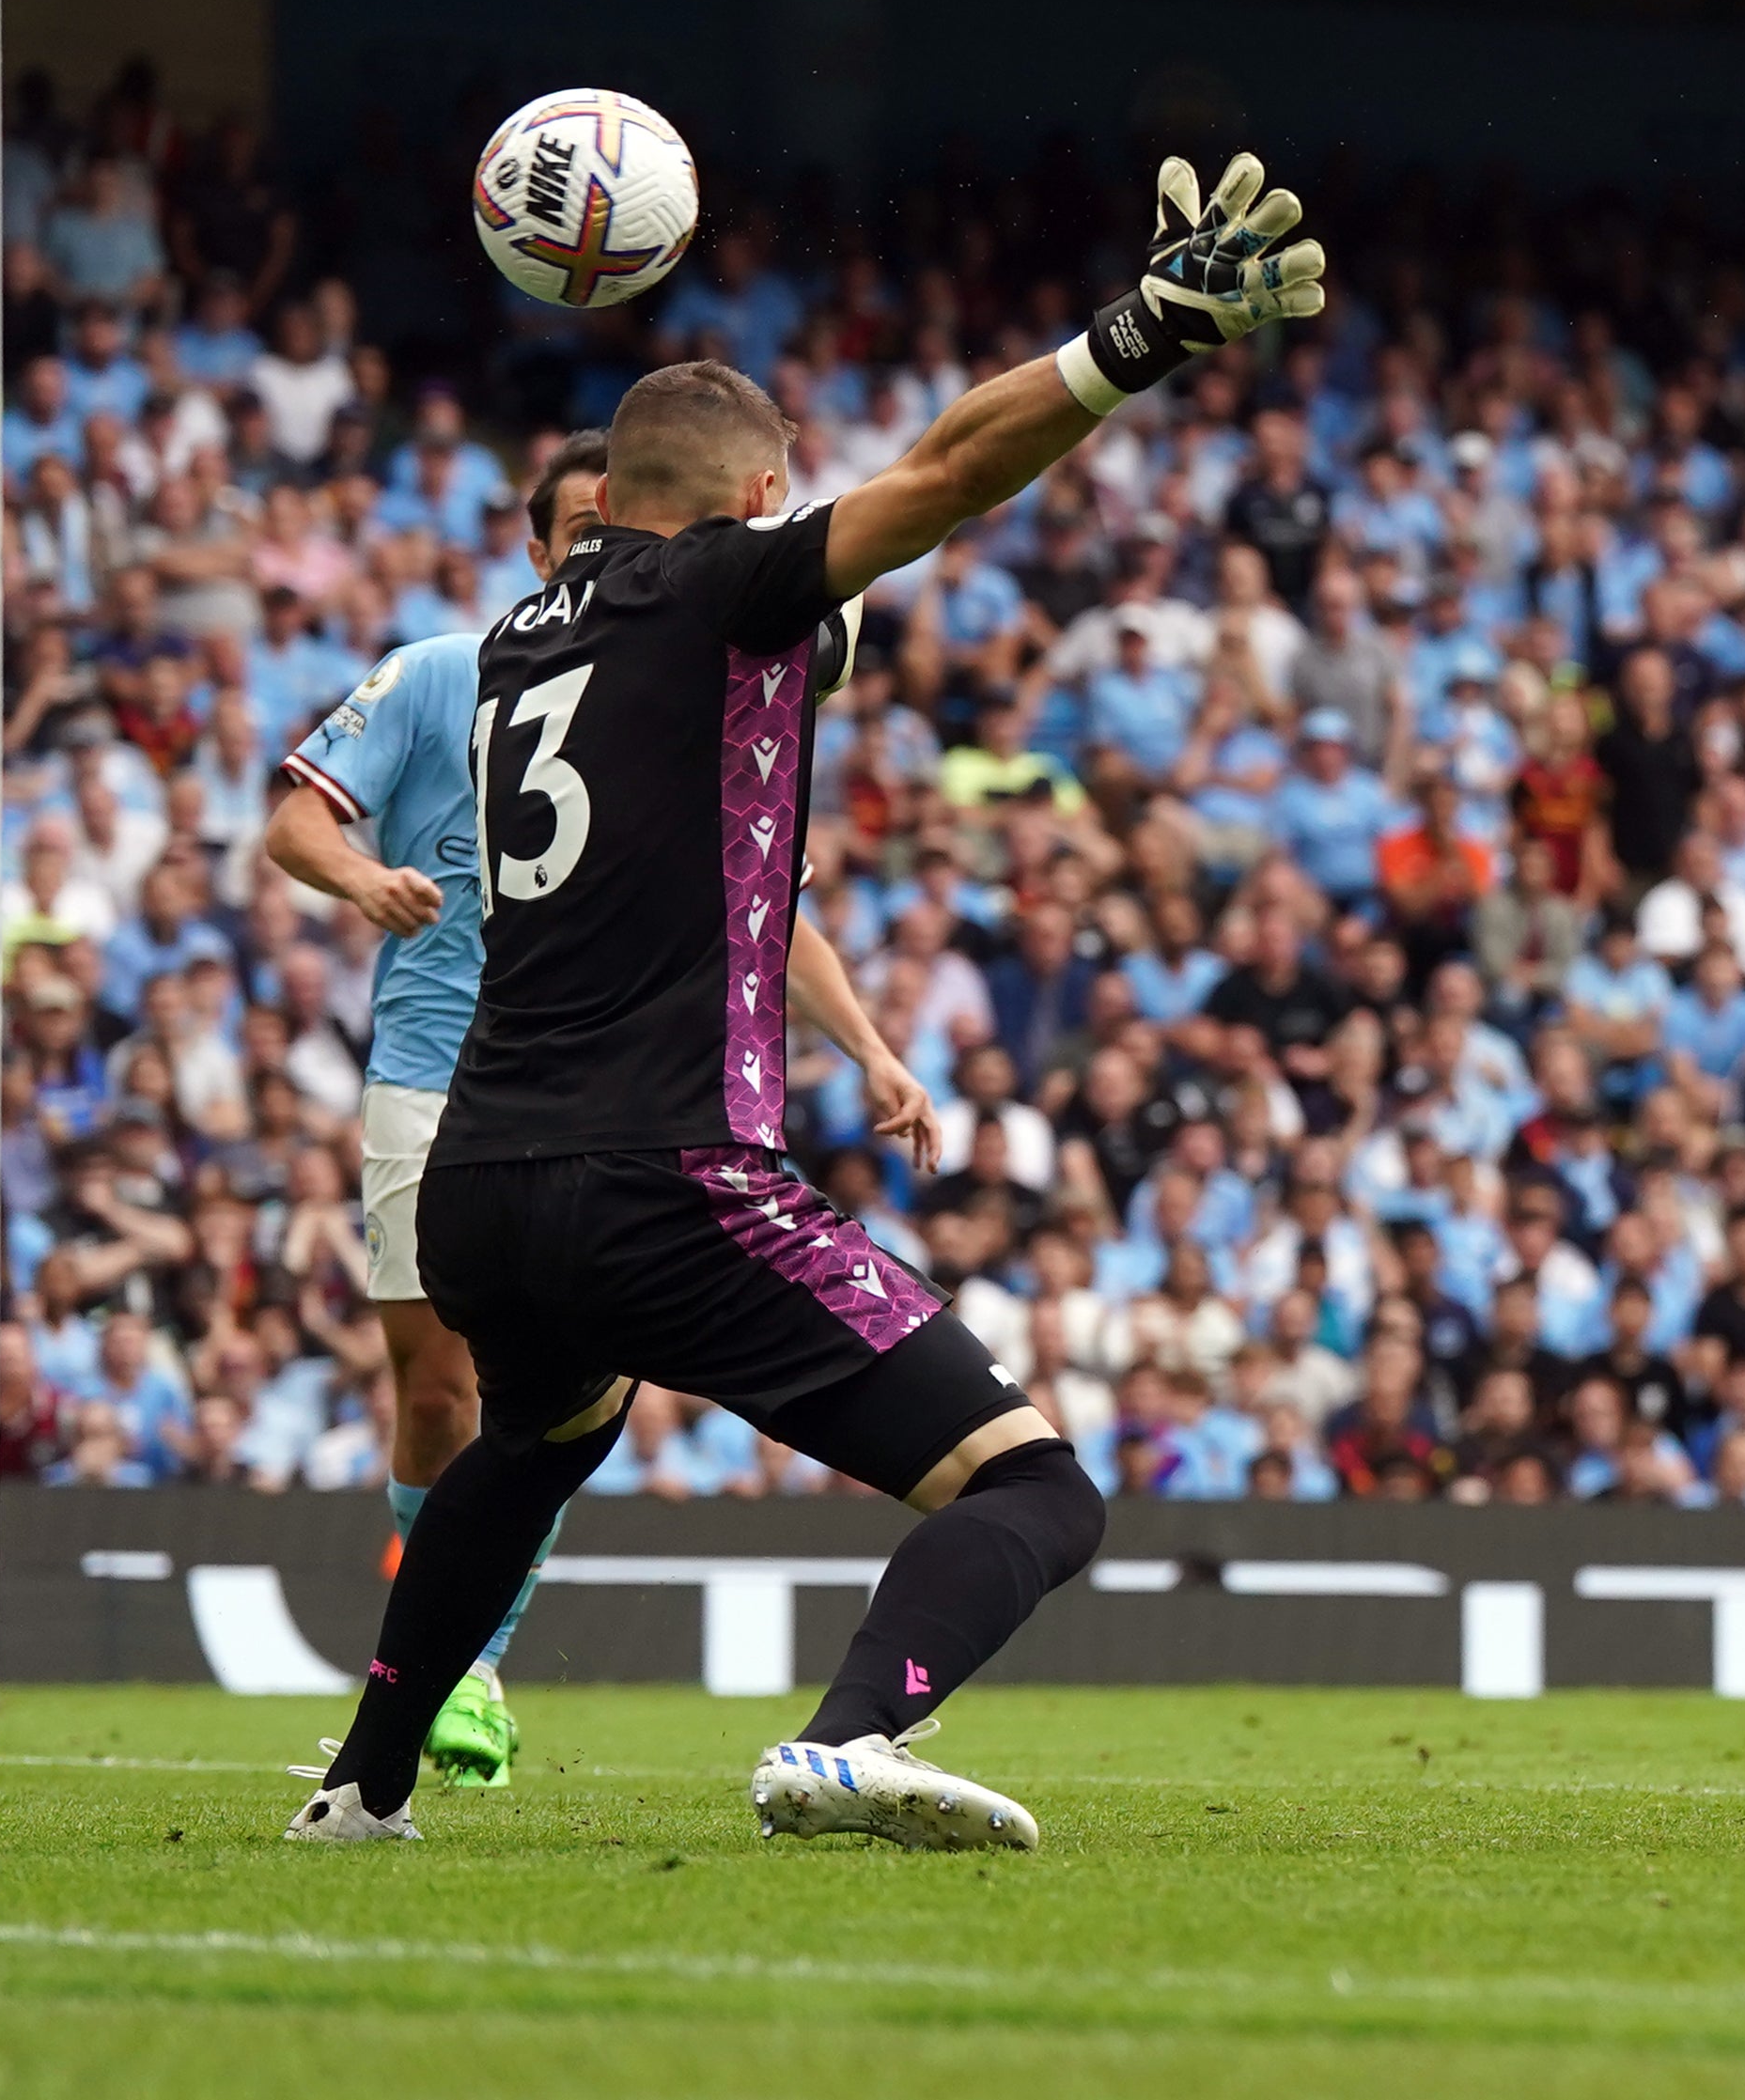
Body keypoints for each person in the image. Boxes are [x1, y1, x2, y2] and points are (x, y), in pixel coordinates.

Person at [288, 152, 1329, 1850]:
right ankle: (851, 1741)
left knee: (538, 1440)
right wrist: (1135, 338)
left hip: (484, 1175)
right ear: (759, 496)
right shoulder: (723, 591)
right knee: (1036, 1485)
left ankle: (362, 1788)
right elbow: (951, 467)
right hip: (664, 1174)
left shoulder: (501, 654)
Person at [265, 433, 934, 1788]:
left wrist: (867, 1045)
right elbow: (293, 822)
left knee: (562, 1394)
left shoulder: (683, 676)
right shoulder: (447, 671)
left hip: (600, 1091)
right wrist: (364, 882)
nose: (599, 557)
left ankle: (471, 1671)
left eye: (612, 529)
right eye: (573, 537)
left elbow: (765, 898)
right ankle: (440, 1676)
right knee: (438, 1384)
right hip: (434, 1058)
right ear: (532, 553)